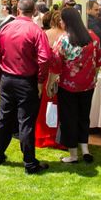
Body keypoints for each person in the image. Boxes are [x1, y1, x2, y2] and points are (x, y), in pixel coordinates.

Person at [0, 0, 52, 175]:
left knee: (4, 117)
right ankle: (29, 163)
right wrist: (41, 81)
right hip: (26, 80)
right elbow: (45, 58)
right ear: (34, 11)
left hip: (8, 79)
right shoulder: (36, 30)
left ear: (18, 9)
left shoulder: (6, 28)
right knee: (25, 122)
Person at [51, 7, 101, 164]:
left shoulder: (63, 40)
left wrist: (50, 84)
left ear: (66, 21)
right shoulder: (93, 37)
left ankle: (73, 155)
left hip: (68, 86)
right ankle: (85, 149)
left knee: (68, 119)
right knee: (83, 117)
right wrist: (94, 77)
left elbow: (55, 65)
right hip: (88, 85)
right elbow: (98, 62)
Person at [35, 10, 65, 149]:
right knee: (60, 106)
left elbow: (40, 56)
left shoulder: (45, 34)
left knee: (47, 106)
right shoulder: (66, 36)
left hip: (48, 75)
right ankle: (57, 136)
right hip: (62, 75)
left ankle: (45, 134)